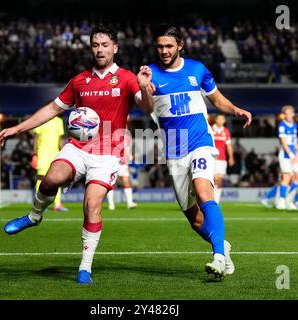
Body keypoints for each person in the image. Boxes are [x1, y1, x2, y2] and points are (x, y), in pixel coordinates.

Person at [0, 25, 154, 284]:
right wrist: (17, 128)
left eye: (105, 45)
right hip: (78, 148)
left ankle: (85, 268)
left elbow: (147, 108)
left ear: (115, 48)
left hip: (108, 154)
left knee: (91, 205)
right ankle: (35, 216)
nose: (100, 49)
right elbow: (51, 109)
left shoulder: (126, 78)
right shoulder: (79, 81)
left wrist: (145, 87)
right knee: (50, 179)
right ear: (90, 48)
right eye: (95, 45)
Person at [148, 25, 252, 278]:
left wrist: (236, 109)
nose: (164, 51)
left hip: (200, 143)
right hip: (174, 152)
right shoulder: (148, 74)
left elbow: (216, 99)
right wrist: (142, 88)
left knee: (205, 191)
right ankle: (223, 246)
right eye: (160, 46)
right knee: (194, 220)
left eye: (169, 46)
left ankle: (217, 257)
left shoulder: (197, 69)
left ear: (180, 46)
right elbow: (144, 107)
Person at [31, 116, 68, 212]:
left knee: (57, 178)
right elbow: (36, 137)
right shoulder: (42, 118)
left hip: (55, 153)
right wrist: (34, 153)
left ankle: (58, 204)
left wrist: (62, 152)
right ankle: (39, 204)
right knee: (41, 178)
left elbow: (60, 139)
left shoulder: (59, 121)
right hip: (42, 152)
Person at [275, 105, 298, 210]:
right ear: (284, 115)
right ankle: (281, 201)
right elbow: (284, 143)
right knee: (286, 178)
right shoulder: (282, 125)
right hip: (286, 155)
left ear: (293, 114)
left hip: (293, 155)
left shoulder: (295, 125)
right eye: (286, 113)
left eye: (290, 113)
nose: (289, 115)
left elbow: (294, 142)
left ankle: (289, 199)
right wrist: (291, 155)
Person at [107, 130, 138, 210]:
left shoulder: (126, 136)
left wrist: (129, 156)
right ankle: (111, 204)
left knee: (126, 181)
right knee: (111, 183)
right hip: (112, 162)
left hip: (123, 163)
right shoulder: (111, 135)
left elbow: (126, 148)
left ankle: (130, 203)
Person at [212, 114, 234, 204]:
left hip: (222, 159)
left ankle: (216, 201)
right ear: (216, 120)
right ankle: (210, 200)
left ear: (224, 121)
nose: (221, 121)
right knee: (213, 179)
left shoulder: (226, 131)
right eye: (219, 119)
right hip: (211, 158)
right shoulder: (210, 129)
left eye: (222, 119)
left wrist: (231, 157)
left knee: (219, 180)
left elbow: (228, 146)